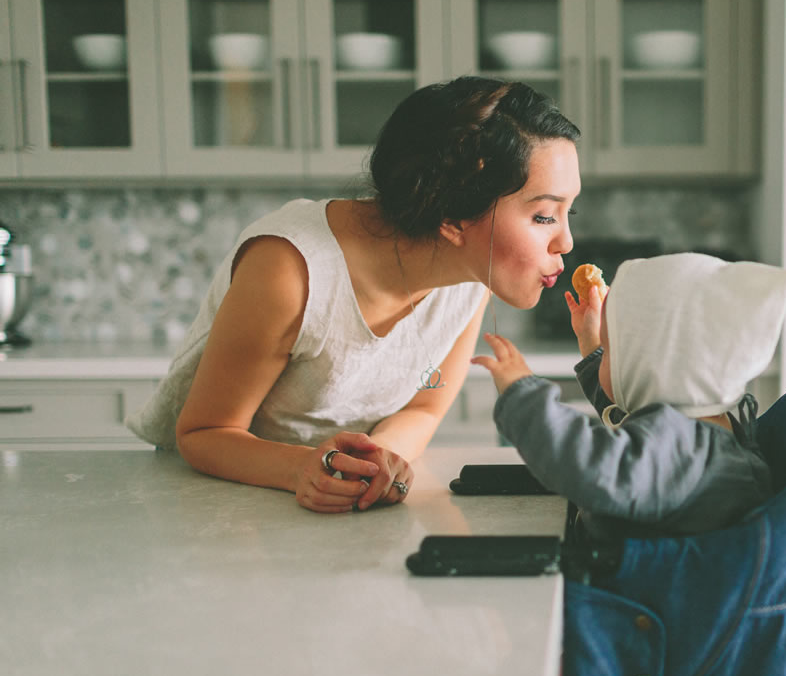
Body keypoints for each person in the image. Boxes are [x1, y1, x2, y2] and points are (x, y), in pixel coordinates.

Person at [127, 76, 581, 513]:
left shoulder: (470, 279)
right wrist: (303, 468)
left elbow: (425, 406)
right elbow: (204, 432)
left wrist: (372, 464)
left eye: (568, 212)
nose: (567, 242)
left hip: (337, 509)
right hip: (215, 505)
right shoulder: (289, 271)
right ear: (454, 217)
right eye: (544, 216)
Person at [471, 252, 786, 540]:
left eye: (613, 349)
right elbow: (628, 414)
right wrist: (594, 349)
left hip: (629, 599)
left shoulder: (679, 451)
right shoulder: (706, 429)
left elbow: (586, 464)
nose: (607, 355)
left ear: (656, 364)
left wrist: (522, 394)